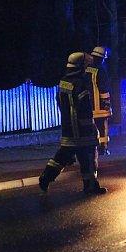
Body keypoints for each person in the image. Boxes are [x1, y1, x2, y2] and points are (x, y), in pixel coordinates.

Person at [38, 52, 107, 195]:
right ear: (80, 66)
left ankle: (45, 178)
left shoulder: (63, 81)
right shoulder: (80, 84)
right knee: (88, 158)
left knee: (61, 157)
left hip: (68, 129)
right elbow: (85, 109)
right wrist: (92, 128)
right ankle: (91, 186)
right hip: (83, 130)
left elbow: (60, 102)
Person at [87, 45, 112, 155]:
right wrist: (107, 104)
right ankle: (103, 148)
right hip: (99, 108)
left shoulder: (85, 69)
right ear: (102, 59)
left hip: (86, 107)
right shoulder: (100, 71)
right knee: (102, 128)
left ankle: (89, 148)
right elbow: (104, 89)